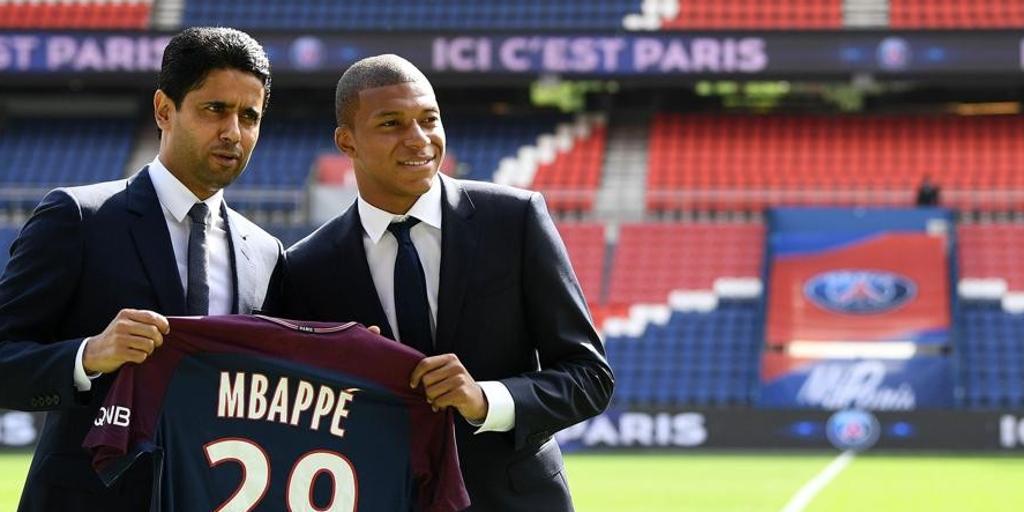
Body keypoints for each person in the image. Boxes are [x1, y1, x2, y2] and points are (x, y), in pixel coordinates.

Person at [271, 54, 614, 511]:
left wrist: (485, 400)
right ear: (346, 141)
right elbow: (297, 410)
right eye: (391, 123)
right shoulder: (306, 267)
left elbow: (589, 376)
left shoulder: (515, 220)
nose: (419, 138)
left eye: (428, 119)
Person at [0, 27, 281, 511]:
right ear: (164, 110)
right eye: (215, 109)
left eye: (249, 116)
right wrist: (88, 356)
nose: (233, 132)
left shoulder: (267, 251)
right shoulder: (79, 218)